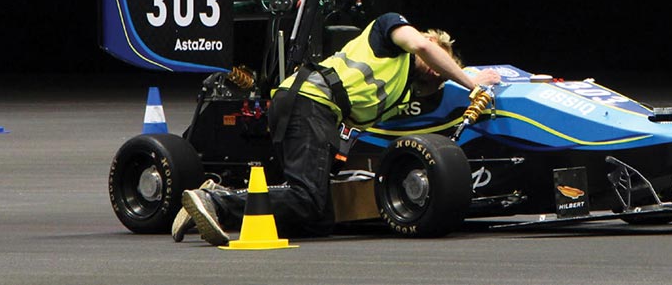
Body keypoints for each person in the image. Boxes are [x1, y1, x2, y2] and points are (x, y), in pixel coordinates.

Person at [172, 12, 503, 245]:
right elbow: (425, 49)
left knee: (319, 219)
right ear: (430, 41)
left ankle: (218, 200)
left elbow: (428, 96)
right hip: (310, 101)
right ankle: (216, 201)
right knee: (307, 198)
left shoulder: (402, 91)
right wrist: (470, 79)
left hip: (313, 110)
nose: (438, 72)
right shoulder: (391, 32)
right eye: (441, 65)